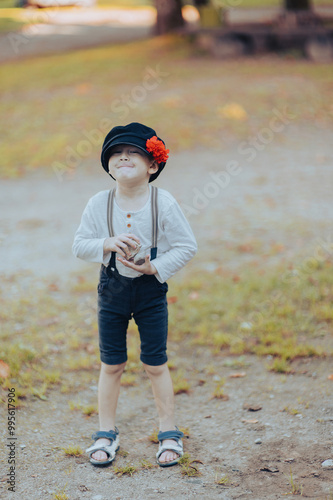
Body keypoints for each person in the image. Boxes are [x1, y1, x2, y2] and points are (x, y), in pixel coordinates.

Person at [72, 122, 197, 467]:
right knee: (112, 363)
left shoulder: (163, 202)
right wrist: (106, 243)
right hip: (111, 290)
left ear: (153, 165)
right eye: (116, 154)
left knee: (154, 363)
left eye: (133, 154)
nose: (123, 158)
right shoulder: (99, 203)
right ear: (108, 165)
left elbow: (187, 246)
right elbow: (79, 244)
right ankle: (105, 432)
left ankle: (169, 432)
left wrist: (155, 267)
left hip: (150, 291)